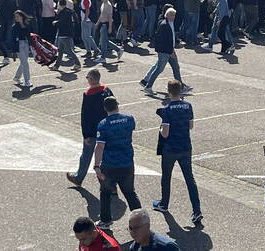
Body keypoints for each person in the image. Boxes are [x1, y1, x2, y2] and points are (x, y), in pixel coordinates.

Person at [152, 79, 204, 226]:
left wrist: (161, 127)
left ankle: (164, 203)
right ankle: (196, 210)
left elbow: (165, 134)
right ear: (181, 90)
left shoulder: (167, 110)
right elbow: (191, 126)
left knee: (166, 176)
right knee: (190, 179)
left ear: (169, 91)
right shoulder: (188, 106)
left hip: (170, 149)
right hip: (186, 147)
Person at [93, 96, 142, 230]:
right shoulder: (129, 119)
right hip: (127, 163)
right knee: (130, 193)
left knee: (105, 192)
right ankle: (141, 221)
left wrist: (96, 166)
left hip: (109, 165)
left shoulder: (103, 124)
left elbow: (99, 147)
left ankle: (106, 220)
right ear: (117, 105)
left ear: (105, 108)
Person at [67, 69, 115, 188]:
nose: (87, 79)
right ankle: (111, 185)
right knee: (106, 158)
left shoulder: (88, 94)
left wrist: (86, 135)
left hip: (93, 131)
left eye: (87, 77)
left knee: (86, 155)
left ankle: (79, 177)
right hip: (107, 130)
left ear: (92, 79)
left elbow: (85, 116)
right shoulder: (106, 90)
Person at [141, 8, 191, 95]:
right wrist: (170, 51)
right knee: (159, 69)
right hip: (165, 51)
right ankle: (148, 87)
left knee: (176, 68)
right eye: (171, 15)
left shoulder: (170, 24)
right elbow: (164, 40)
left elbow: (171, 37)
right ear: (167, 15)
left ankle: (180, 87)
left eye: (174, 15)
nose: (173, 17)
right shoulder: (164, 25)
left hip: (170, 50)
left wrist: (175, 45)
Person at [51, 0, 82, 71]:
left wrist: (55, 23)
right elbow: (75, 21)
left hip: (64, 33)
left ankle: (77, 63)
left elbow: (62, 22)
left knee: (69, 50)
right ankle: (56, 66)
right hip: (68, 32)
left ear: (60, 5)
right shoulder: (70, 11)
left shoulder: (63, 12)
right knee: (61, 50)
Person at [11, 10, 33, 89]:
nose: (16, 18)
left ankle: (17, 77)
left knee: (23, 62)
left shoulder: (27, 25)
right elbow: (13, 39)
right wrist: (13, 51)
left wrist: (31, 46)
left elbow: (29, 36)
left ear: (22, 16)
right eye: (15, 17)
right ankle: (27, 80)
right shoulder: (14, 27)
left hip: (26, 44)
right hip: (19, 45)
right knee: (25, 63)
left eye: (18, 16)